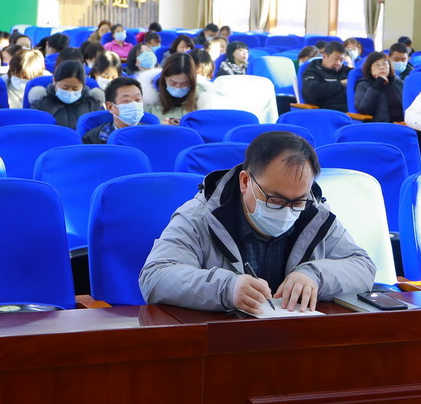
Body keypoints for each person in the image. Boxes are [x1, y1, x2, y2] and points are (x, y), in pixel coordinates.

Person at [140, 131, 375, 313]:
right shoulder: (200, 216)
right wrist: (227, 288)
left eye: (297, 201)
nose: (287, 211)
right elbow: (155, 276)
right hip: (222, 340)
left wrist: (314, 276)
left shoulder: (315, 213)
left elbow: (363, 267)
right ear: (245, 182)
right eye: (275, 200)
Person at [33, 58, 105, 129]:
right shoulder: (41, 103)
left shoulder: (92, 103)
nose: (70, 91)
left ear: (83, 85)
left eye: (75, 88)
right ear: (54, 81)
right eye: (65, 88)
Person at [144, 52, 206, 126]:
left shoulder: (202, 100)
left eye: (184, 83)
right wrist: (160, 127)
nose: (178, 87)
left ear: (192, 82)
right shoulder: (147, 99)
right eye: (173, 83)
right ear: (164, 78)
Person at [85, 76, 145, 144]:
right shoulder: (93, 139)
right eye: (126, 100)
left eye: (137, 100)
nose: (134, 104)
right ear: (110, 107)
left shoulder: (151, 134)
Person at [353, 51, 404, 123]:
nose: (382, 67)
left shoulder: (399, 83)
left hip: (402, 124)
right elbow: (363, 108)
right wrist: (377, 84)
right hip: (379, 125)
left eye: (385, 64)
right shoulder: (363, 84)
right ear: (370, 68)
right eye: (377, 65)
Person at [301, 40, 350, 112]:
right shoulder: (312, 71)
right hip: (325, 112)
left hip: (349, 111)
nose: (338, 63)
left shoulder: (346, 71)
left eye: (341, 60)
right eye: (336, 59)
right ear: (324, 56)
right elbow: (313, 93)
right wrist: (341, 83)